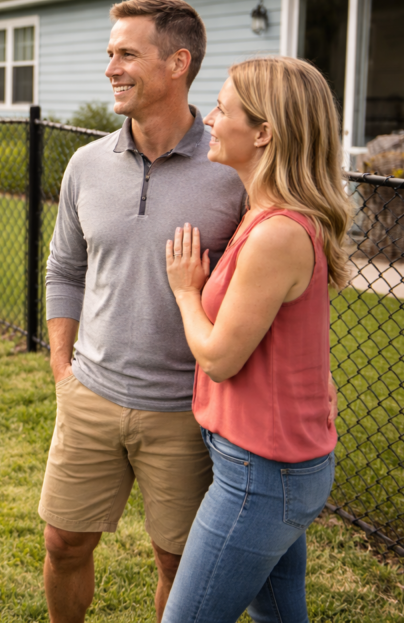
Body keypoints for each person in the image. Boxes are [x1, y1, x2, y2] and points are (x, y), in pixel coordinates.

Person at [41, 0, 248, 622]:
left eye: (127, 53)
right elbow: (64, 269)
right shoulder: (85, 165)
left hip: (186, 412)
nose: (111, 68)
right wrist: (62, 371)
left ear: (178, 62)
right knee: (63, 542)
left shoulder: (231, 168)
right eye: (110, 54)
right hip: (90, 394)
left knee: (176, 562)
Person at [162, 57, 350, 622]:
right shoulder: (265, 214)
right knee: (279, 612)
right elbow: (297, 336)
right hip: (272, 463)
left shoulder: (276, 233)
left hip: (262, 475)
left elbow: (219, 358)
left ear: (264, 132)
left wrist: (185, 292)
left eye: (222, 108)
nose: (210, 119)